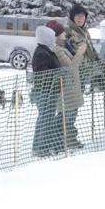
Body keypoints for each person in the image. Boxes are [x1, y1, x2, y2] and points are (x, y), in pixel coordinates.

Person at [47, 20, 87, 149]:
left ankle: (67, 141)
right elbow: (70, 67)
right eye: (61, 31)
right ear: (57, 35)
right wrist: (80, 52)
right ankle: (64, 142)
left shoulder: (63, 47)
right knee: (66, 118)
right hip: (68, 90)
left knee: (70, 117)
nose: (65, 33)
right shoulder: (58, 50)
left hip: (72, 87)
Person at [31, 26, 64, 157]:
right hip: (45, 91)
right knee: (45, 119)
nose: (55, 39)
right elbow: (41, 73)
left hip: (51, 91)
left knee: (47, 118)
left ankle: (44, 145)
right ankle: (40, 147)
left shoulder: (47, 51)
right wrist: (55, 75)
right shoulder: (41, 53)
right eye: (52, 36)